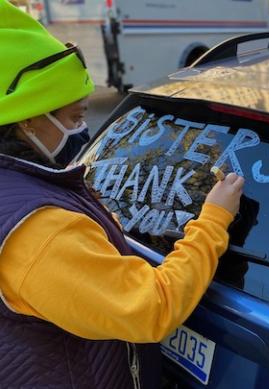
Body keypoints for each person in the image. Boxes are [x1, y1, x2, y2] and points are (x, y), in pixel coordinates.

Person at [0, 1, 244, 388]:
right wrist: (213, 219)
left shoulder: (23, 180)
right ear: (27, 119)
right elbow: (152, 308)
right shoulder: (39, 232)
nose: (81, 130)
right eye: (74, 117)